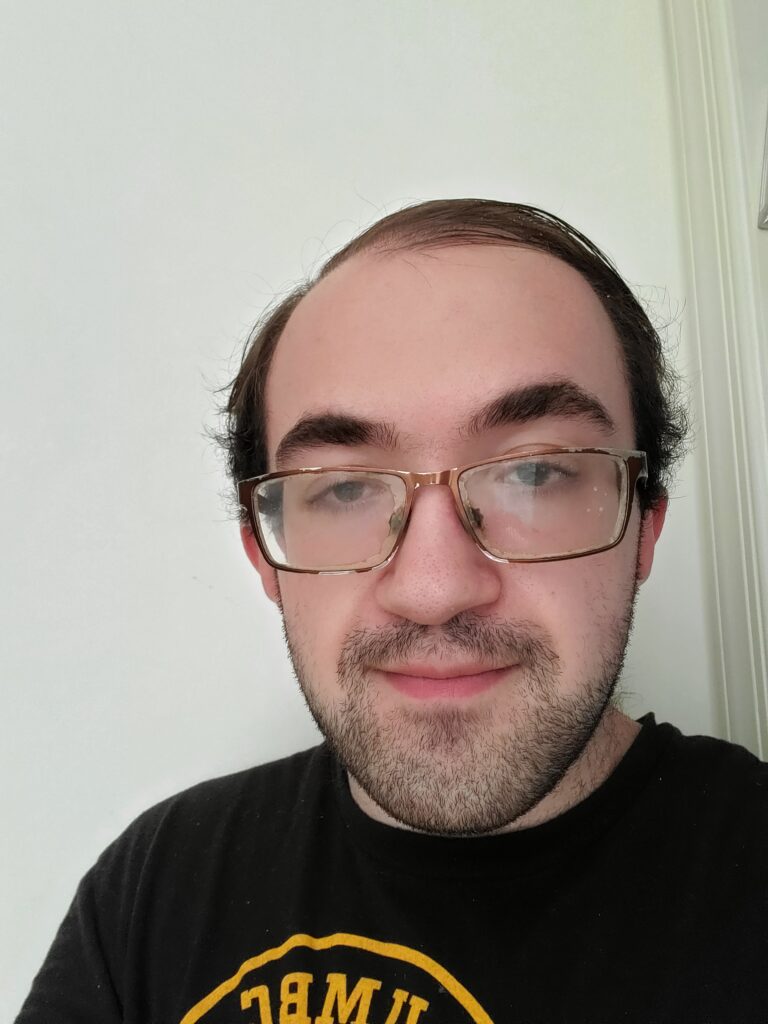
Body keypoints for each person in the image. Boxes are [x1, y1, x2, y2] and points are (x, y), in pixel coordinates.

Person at [16, 199, 768, 1024]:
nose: (435, 589)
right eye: (343, 487)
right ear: (264, 556)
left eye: (536, 473)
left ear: (645, 524)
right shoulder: (150, 894)